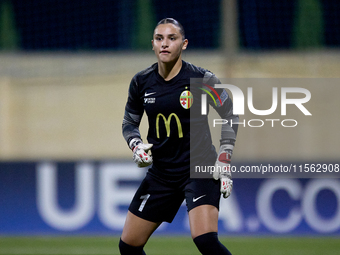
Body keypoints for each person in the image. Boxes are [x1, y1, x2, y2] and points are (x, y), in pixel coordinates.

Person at [121, 18, 238, 255]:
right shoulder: (141, 82)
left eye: (171, 38)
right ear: (152, 44)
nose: (164, 44)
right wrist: (135, 145)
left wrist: (224, 159)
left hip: (200, 169)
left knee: (205, 240)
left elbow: (230, 114)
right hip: (162, 174)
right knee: (128, 246)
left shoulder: (202, 79)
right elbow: (129, 123)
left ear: (184, 44)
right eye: (159, 38)